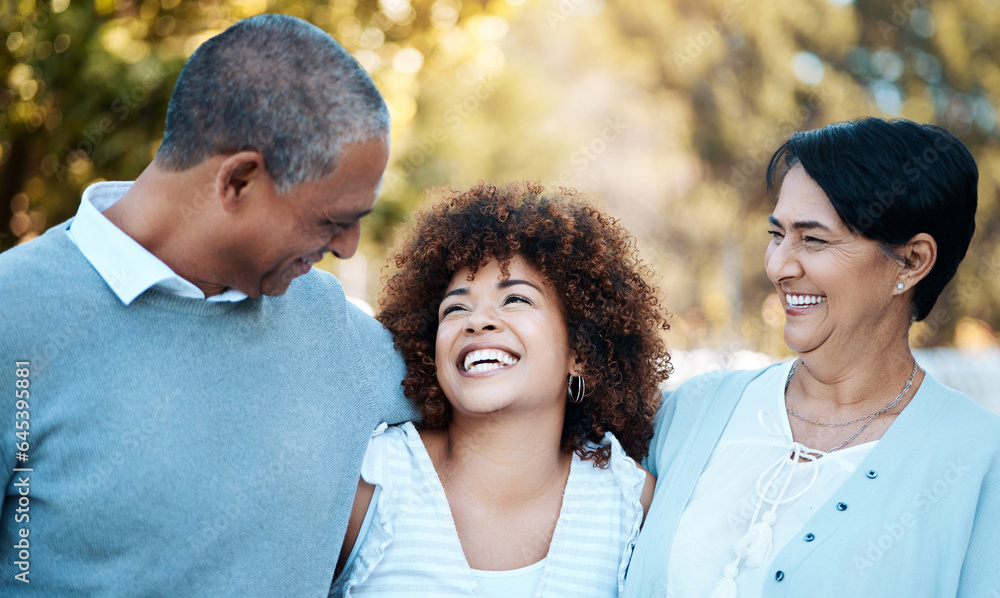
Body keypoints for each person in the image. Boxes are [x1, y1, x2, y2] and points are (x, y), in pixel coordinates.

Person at [0, 14, 415, 596]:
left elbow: (519, 414)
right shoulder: (13, 316)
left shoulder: (333, 327)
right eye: (332, 221)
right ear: (238, 181)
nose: (347, 249)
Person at [623, 117, 1000, 598]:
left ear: (912, 261)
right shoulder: (689, 412)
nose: (779, 265)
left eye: (814, 239)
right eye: (776, 234)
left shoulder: (979, 463)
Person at [330, 183, 672, 597]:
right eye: (455, 308)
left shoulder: (631, 503)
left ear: (580, 350)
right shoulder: (370, 481)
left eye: (515, 300)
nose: (477, 321)